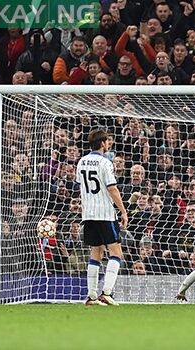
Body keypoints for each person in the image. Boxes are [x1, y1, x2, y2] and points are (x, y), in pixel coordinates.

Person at [76, 129, 128, 306]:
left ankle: (91, 296)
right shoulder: (105, 163)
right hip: (105, 213)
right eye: (107, 141)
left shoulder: (81, 162)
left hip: (88, 214)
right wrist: (123, 210)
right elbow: (112, 188)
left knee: (96, 252)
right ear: (102, 143)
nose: (109, 143)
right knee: (116, 252)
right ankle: (106, 293)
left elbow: (80, 187)